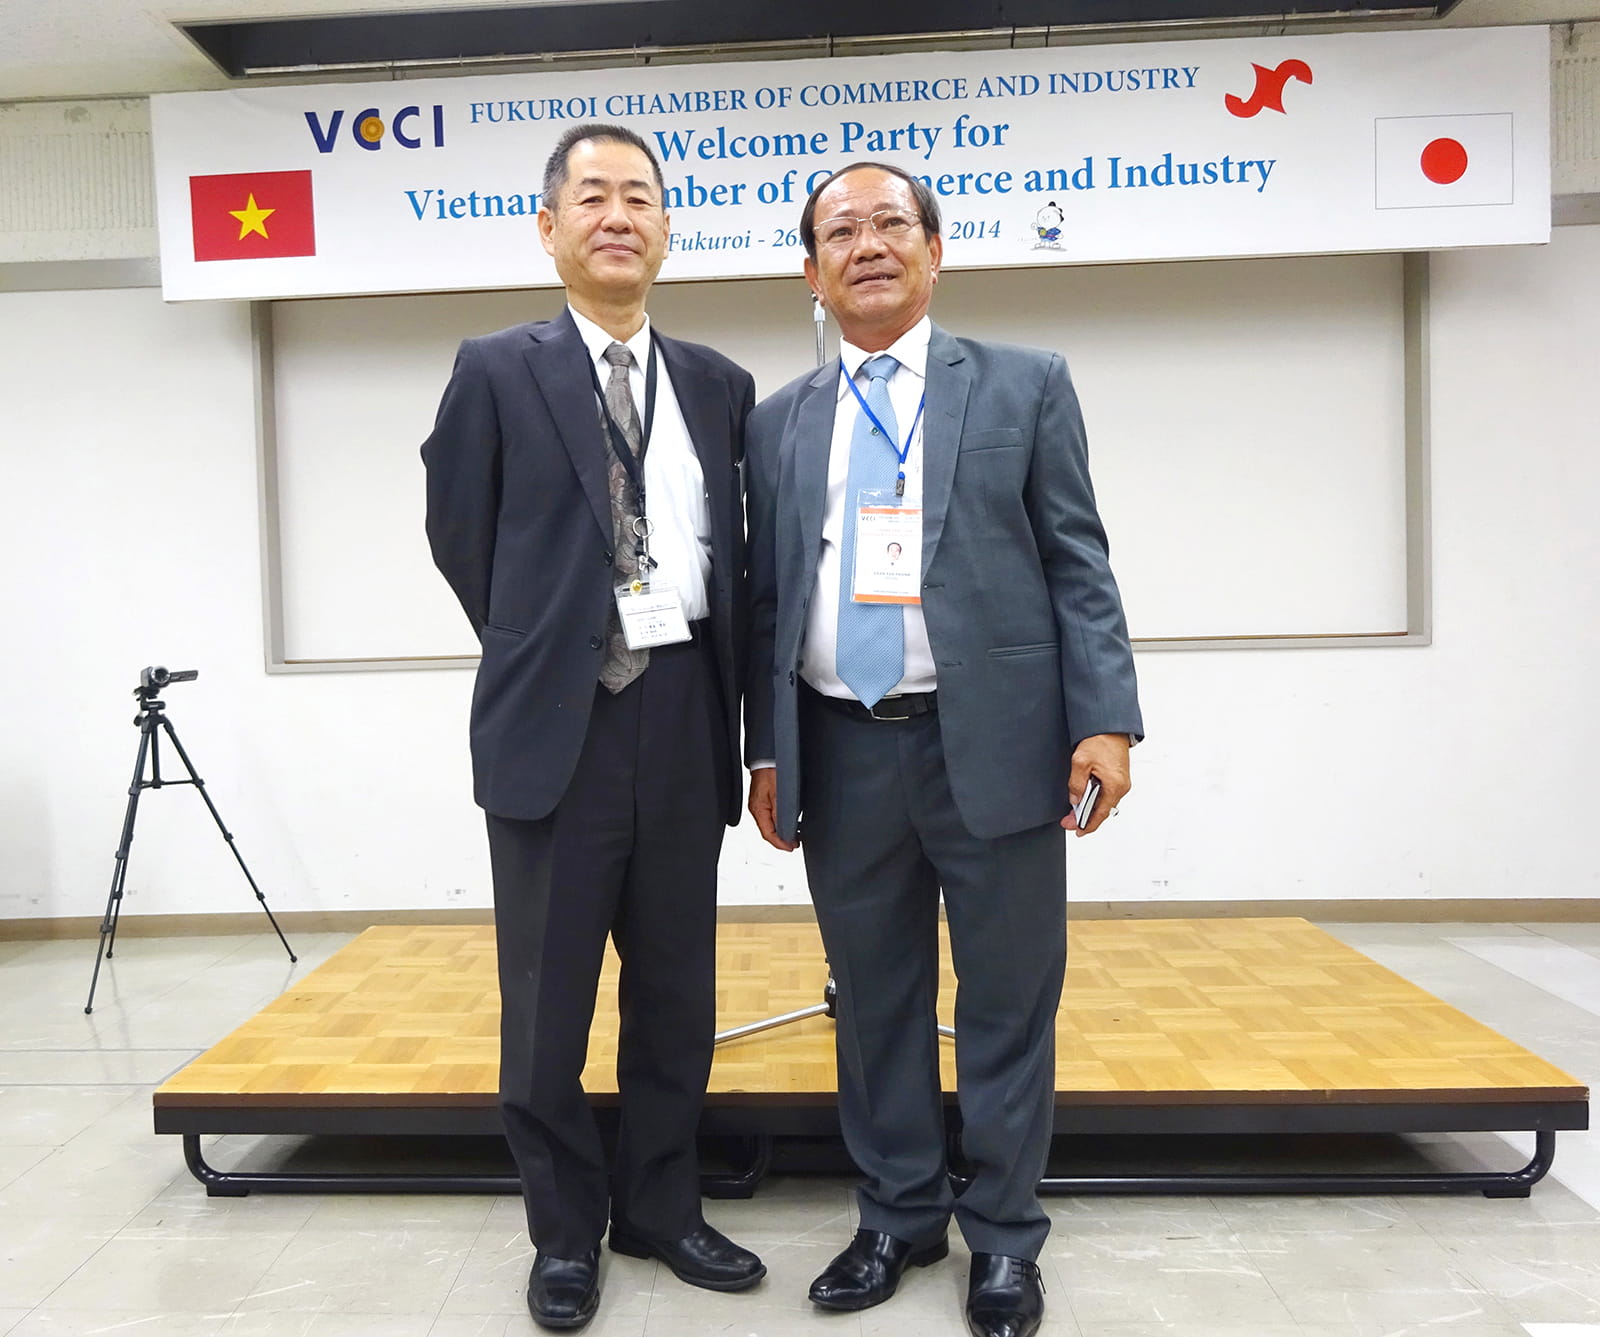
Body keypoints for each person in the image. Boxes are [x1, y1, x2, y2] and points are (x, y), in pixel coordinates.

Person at [744, 161, 1143, 1337]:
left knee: (1009, 998)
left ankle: (1005, 1234)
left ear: (933, 249)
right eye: (840, 232)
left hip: (1001, 745)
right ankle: (898, 1214)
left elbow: (1078, 559)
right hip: (840, 745)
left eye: (889, 224)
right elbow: (771, 599)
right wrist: (768, 750)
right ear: (811, 271)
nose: (866, 244)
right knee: (874, 1001)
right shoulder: (777, 419)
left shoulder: (1024, 383)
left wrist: (1105, 717)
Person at [422, 123, 763, 1332]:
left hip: (683, 711)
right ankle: (564, 1230)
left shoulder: (719, 385)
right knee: (547, 1003)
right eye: (594, 197)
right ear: (550, 226)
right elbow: (461, 537)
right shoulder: (495, 368)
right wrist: (552, 641)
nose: (619, 216)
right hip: (557, 723)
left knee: (675, 991)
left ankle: (661, 1206)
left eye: (641, 198)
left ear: (666, 229)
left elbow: (740, 559)